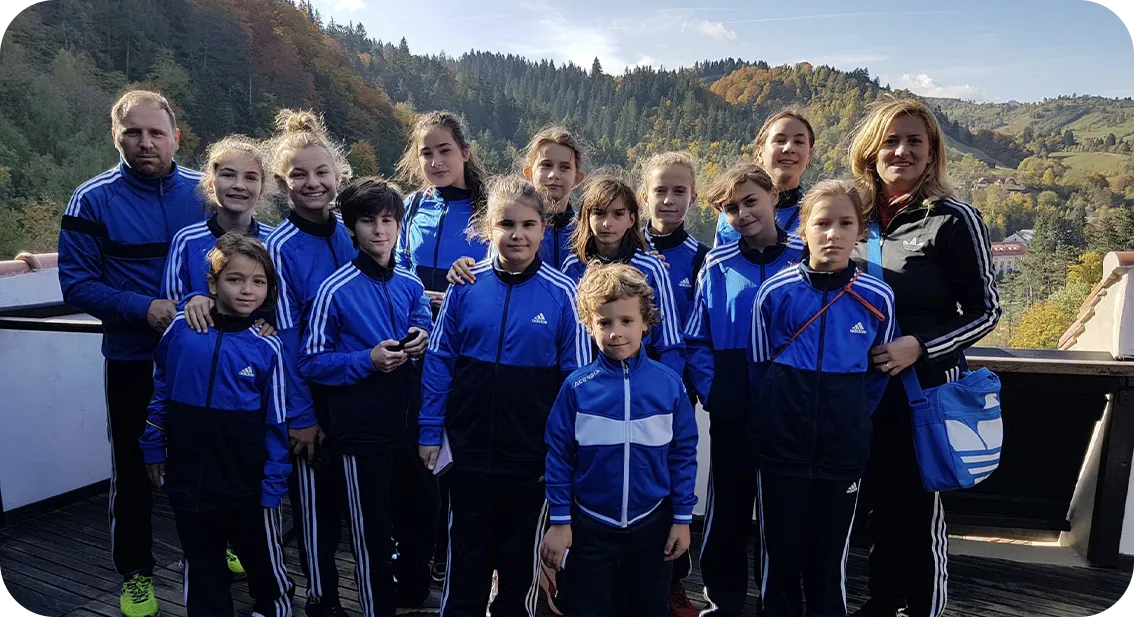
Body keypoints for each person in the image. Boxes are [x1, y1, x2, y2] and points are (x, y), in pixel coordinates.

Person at [848, 97, 1000, 617]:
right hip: (863, 393)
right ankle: (882, 603)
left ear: (932, 152)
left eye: (915, 141)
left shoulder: (953, 219)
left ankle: (922, 608)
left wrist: (921, 346)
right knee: (874, 506)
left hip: (924, 395)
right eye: (890, 140)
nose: (902, 151)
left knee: (916, 512)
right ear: (870, 151)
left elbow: (986, 311)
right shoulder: (854, 218)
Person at [57, 89, 206, 617]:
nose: (146, 142)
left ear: (176, 138)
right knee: (133, 464)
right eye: (133, 133)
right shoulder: (92, 199)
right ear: (115, 137)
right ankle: (137, 573)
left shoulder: (206, 191)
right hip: (132, 357)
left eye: (156, 133)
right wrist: (143, 308)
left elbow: (247, 251)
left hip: (202, 358)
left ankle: (223, 544)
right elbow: (76, 285)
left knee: (211, 457)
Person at [418, 176, 591, 617]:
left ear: (543, 228)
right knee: (466, 558)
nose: (517, 235)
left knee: (519, 566)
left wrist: (566, 448)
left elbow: (574, 380)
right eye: (506, 224)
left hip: (531, 455)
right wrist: (430, 431)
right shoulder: (464, 285)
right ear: (487, 228)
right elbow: (439, 362)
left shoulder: (563, 294)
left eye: (528, 224)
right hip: (470, 449)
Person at [747, 180, 895, 617]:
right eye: (822, 223)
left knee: (830, 560)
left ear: (859, 231)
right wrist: (778, 416)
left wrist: (850, 417)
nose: (833, 234)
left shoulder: (878, 297)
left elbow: (877, 375)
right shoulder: (775, 293)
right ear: (803, 230)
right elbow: (759, 369)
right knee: (779, 556)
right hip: (781, 449)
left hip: (842, 451)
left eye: (845, 223)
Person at [299, 177, 441, 616]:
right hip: (360, 435)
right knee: (370, 533)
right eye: (367, 221)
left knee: (422, 515)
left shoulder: (409, 282)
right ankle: (376, 607)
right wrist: (367, 360)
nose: (379, 230)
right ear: (351, 227)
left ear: (399, 225)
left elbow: (422, 319)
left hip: (409, 428)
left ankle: (411, 593)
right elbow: (311, 361)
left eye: (387, 220)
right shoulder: (334, 289)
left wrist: (421, 335)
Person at [139, 232, 299, 617]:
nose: (247, 290)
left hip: (246, 480)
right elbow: (161, 387)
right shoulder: (182, 330)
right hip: (188, 474)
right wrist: (152, 445)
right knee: (201, 559)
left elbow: (276, 420)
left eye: (258, 281)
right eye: (235, 279)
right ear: (213, 284)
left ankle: (274, 605)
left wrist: (274, 481)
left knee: (261, 555)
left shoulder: (267, 346)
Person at [541, 263, 699, 617]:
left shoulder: (669, 385)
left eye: (627, 321)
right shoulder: (577, 388)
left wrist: (682, 519)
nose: (616, 333)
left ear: (645, 323)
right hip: (589, 528)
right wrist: (561, 521)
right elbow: (559, 456)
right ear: (589, 325)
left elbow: (683, 454)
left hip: (652, 528)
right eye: (604, 323)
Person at [687, 162, 803, 617]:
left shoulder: (805, 257)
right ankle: (723, 604)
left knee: (782, 517)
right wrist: (714, 393)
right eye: (731, 208)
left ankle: (779, 606)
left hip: (790, 409)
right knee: (727, 516)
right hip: (733, 409)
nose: (743, 214)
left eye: (751, 201)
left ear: (773, 196)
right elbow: (696, 339)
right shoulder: (717, 264)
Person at [262, 109, 354, 617]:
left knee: (356, 500)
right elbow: (286, 335)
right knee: (315, 506)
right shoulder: (278, 247)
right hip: (311, 394)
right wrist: (300, 413)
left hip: (357, 386)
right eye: (299, 174)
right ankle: (323, 599)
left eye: (322, 172)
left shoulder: (352, 232)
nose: (313, 183)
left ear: (338, 176)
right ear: (282, 183)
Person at [637, 150, 708, 617]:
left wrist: (687, 389)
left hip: (673, 393)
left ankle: (672, 582)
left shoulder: (700, 257)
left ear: (693, 197)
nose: (668, 200)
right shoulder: (627, 246)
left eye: (678, 191)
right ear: (644, 197)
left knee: (668, 487)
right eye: (660, 190)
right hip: (616, 390)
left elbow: (699, 332)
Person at [561, 176, 685, 377]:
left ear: (631, 220)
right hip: (591, 381)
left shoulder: (651, 267)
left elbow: (669, 340)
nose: (607, 223)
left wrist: (666, 385)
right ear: (586, 217)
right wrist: (581, 384)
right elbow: (569, 337)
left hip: (641, 379)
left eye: (618, 214)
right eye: (599, 213)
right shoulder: (573, 267)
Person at [446, 124, 588, 285]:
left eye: (564, 167)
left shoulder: (585, 231)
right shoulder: (507, 226)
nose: (554, 174)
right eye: (546, 165)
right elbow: (488, 273)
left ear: (577, 179)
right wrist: (464, 266)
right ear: (528, 172)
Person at [162, 135, 275, 328]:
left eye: (250, 177)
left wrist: (272, 323)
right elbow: (170, 306)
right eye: (228, 175)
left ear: (262, 188)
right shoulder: (187, 240)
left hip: (255, 346)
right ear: (211, 183)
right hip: (200, 342)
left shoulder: (275, 242)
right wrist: (192, 300)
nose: (239, 185)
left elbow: (286, 303)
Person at [395, 111, 490, 300]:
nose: (435, 162)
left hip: (468, 316)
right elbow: (400, 265)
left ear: (465, 153)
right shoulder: (412, 206)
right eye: (427, 153)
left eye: (445, 151)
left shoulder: (492, 208)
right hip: (416, 316)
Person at [715, 110, 814, 246]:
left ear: (809, 155)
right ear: (760, 152)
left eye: (798, 142)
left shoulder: (816, 215)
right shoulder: (732, 214)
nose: (789, 148)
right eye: (780, 140)